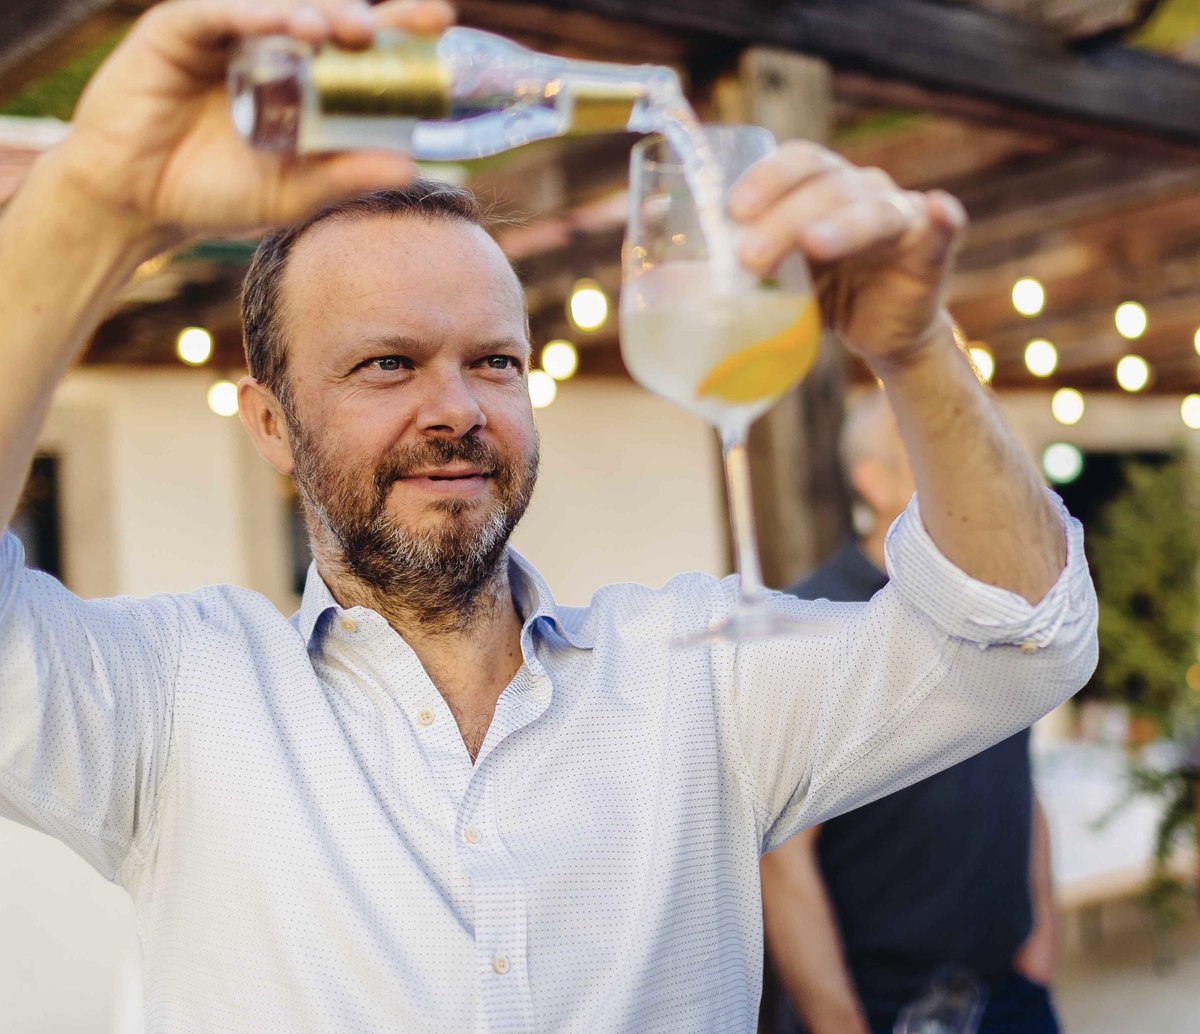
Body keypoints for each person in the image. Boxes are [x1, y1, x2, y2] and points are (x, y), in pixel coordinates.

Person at [0, 1, 1097, 1031]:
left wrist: (915, 347)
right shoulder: (175, 699)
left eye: (495, 361)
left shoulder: (694, 677)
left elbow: (1021, 637)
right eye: (389, 364)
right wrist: (90, 208)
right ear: (271, 424)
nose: (458, 409)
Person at [760, 390, 1061, 1034]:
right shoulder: (812, 623)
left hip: (1013, 991)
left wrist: (1041, 938)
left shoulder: (992, 603)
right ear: (874, 480)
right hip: (885, 1008)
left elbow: (1019, 779)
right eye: (932, 446)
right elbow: (783, 859)